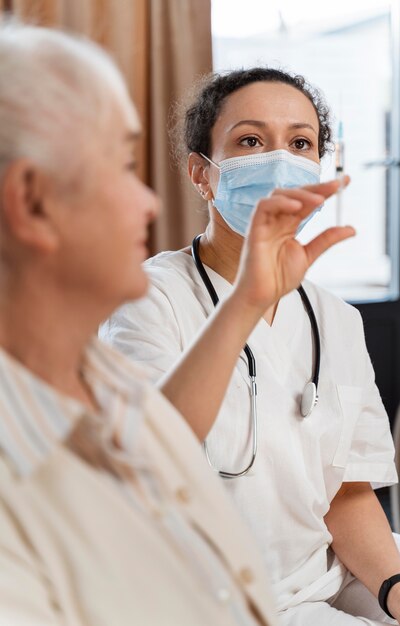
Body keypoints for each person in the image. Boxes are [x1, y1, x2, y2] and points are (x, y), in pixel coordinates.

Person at [0, 23, 358, 626]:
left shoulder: (90, 376)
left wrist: (247, 299)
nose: (148, 203)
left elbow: (151, 456)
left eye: (302, 143)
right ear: (33, 201)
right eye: (120, 165)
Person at [100, 67, 400, 625]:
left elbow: (345, 495)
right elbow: (146, 450)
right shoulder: (147, 299)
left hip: (324, 569)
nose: (281, 161)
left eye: (300, 143)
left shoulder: (335, 319)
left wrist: (398, 591)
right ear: (203, 174)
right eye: (251, 140)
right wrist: (247, 299)